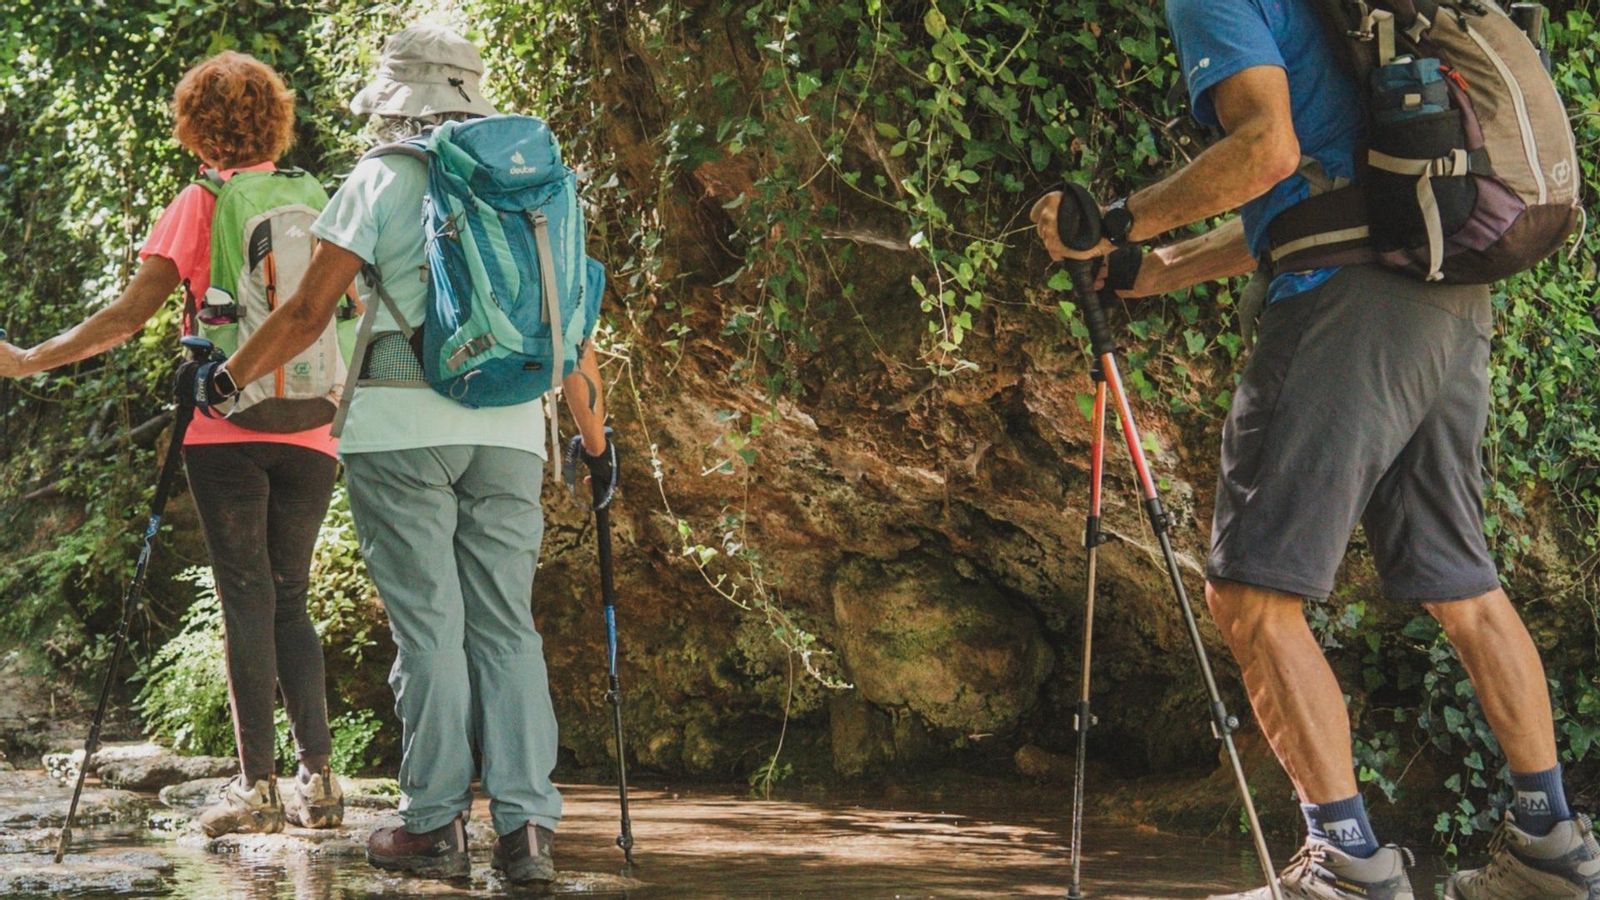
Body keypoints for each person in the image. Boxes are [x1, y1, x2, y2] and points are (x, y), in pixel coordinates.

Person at [1030, 2, 1597, 898]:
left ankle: (1347, 867)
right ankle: (1552, 853)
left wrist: (1116, 221)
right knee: (1464, 586)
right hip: (1442, 299)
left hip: (1344, 310)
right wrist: (1163, 267)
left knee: (1253, 597)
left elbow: (1267, 152)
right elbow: (1325, 194)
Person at [187, 24, 613, 886]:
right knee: (507, 627)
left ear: (395, 98)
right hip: (509, 428)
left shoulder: (379, 178)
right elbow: (573, 326)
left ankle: (433, 823)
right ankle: (528, 830)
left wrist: (226, 384)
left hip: (399, 432)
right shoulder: (533, 180)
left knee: (431, 630)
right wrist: (597, 448)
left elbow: (309, 313)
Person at [0, 51, 344, 839]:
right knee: (290, 597)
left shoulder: (199, 204)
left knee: (246, 598)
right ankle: (319, 783)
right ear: (276, 118)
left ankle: (255, 788)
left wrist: (27, 360)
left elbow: (128, 317)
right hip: (315, 425)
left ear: (194, 125)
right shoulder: (315, 197)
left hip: (225, 426)